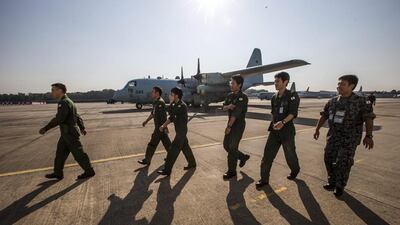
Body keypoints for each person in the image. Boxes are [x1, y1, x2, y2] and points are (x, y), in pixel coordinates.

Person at [313, 75, 375, 197]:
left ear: (351, 86)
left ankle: (340, 186)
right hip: (333, 136)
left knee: (343, 162)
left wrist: (369, 136)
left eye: (342, 84)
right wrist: (317, 129)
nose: (339, 86)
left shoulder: (361, 101)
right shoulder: (333, 101)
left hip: (350, 138)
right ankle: (332, 181)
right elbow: (324, 115)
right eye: (339, 84)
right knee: (328, 158)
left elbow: (369, 119)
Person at [39, 83, 95, 180]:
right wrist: (82, 127)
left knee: (79, 154)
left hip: (69, 134)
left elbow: (59, 119)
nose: (52, 92)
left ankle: (89, 171)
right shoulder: (70, 101)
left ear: (60, 90)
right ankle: (58, 173)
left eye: (53, 90)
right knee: (60, 154)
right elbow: (77, 116)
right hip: (66, 133)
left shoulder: (64, 103)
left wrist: (46, 128)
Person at [256, 72, 300, 188]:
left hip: (287, 132)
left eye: (277, 81)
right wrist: (275, 123)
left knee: (290, 155)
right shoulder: (274, 97)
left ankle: (295, 170)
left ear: (285, 82)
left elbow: (293, 113)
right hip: (275, 131)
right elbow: (273, 113)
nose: (275, 84)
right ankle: (264, 179)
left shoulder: (292, 96)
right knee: (267, 156)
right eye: (275, 81)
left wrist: (283, 122)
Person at [157, 87, 196, 176]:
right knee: (185, 148)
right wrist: (163, 125)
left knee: (172, 151)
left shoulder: (182, 106)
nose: (170, 96)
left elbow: (171, 113)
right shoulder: (175, 104)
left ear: (176, 96)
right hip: (179, 131)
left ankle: (167, 170)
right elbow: (170, 116)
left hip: (181, 132)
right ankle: (192, 163)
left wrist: (170, 103)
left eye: (172, 94)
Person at [222, 75, 250, 180]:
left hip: (238, 125)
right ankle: (243, 157)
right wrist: (228, 106)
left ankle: (231, 171)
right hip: (230, 123)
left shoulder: (243, 97)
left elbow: (235, 114)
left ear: (239, 85)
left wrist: (229, 126)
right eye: (231, 83)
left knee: (233, 148)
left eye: (233, 83)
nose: (231, 85)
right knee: (226, 146)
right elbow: (223, 107)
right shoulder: (229, 96)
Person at [138, 86, 171, 166]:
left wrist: (164, 127)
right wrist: (146, 121)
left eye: (153, 91)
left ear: (157, 93)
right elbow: (153, 113)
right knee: (167, 144)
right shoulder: (156, 102)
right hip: (160, 128)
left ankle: (147, 160)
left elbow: (163, 117)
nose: (151, 93)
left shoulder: (160, 102)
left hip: (159, 128)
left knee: (152, 144)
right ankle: (171, 157)